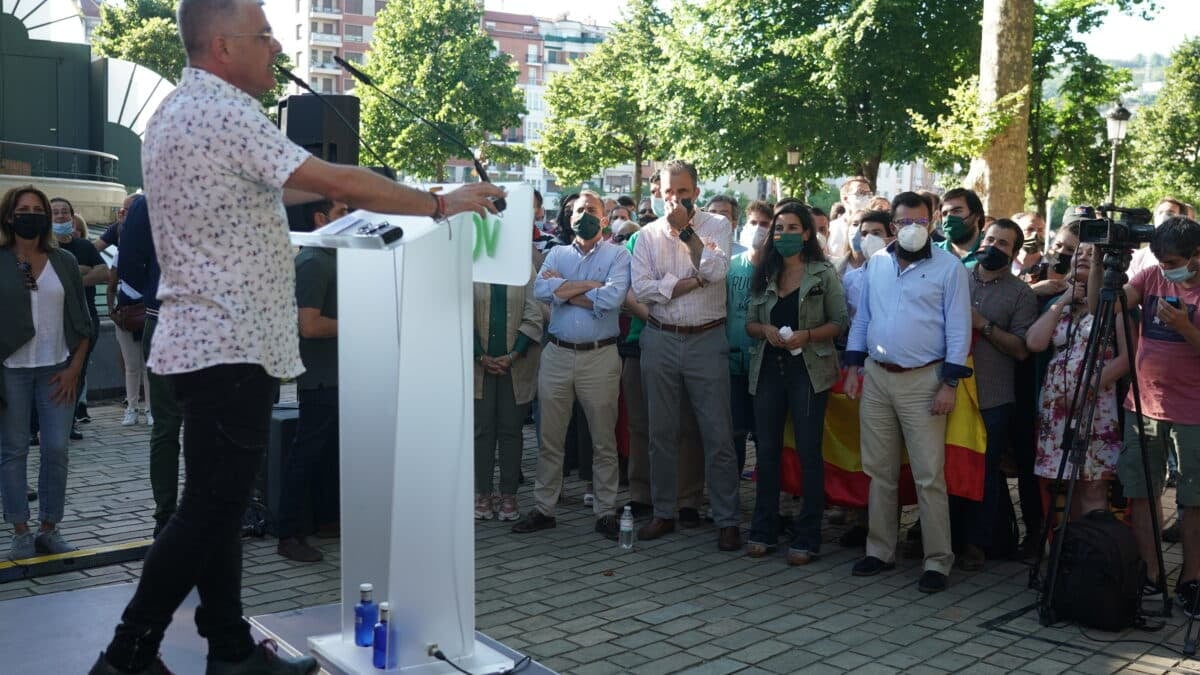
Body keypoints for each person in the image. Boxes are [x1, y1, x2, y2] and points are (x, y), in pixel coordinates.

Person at [88, 0, 503, 671]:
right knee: (206, 511)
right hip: (231, 342)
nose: (275, 47)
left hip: (205, 341)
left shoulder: (175, 112)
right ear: (221, 45)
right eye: (263, 36)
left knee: (217, 508)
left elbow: (265, 194)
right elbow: (330, 180)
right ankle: (127, 651)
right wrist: (438, 203)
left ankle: (229, 648)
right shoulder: (224, 113)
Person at [842, 190, 972, 593]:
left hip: (925, 380)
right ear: (893, 224)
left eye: (920, 222)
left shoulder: (950, 268)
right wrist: (852, 366)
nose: (912, 229)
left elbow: (958, 329)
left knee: (928, 474)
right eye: (904, 222)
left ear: (931, 222)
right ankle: (880, 549)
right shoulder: (877, 262)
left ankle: (937, 560)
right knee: (878, 469)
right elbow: (864, 317)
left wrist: (949, 383)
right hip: (878, 377)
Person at [630, 160, 742, 551]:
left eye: (682, 191)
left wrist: (687, 233)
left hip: (706, 340)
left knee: (717, 433)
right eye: (667, 192)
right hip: (660, 338)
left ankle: (727, 518)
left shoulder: (719, 226)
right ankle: (664, 511)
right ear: (657, 193)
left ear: (695, 191)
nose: (674, 199)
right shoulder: (645, 235)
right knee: (661, 432)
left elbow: (715, 271)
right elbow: (642, 291)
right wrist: (688, 281)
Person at [511, 191, 630, 540]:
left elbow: (613, 298)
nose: (585, 215)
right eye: (579, 210)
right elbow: (541, 291)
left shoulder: (618, 255)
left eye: (592, 210)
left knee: (603, 439)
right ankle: (544, 508)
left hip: (601, 356)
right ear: (569, 216)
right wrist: (590, 287)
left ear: (604, 218)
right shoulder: (557, 253)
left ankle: (606, 511)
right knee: (550, 437)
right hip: (557, 354)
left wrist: (565, 291)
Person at [1101, 217, 1200, 613]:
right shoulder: (1152, 275)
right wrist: (1105, 266)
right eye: (1159, 258)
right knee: (1141, 492)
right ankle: (1150, 573)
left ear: (1197, 255)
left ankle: (1192, 579)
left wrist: (1185, 326)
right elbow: (1107, 303)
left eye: (1173, 260)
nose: (1165, 266)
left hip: (1193, 412)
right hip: (1143, 406)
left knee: (1193, 500)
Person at [744, 202, 847, 564]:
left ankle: (808, 535)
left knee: (808, 453)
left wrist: (808, 335)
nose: (784, 234)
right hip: (769, 371)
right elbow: (749, 324)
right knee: (767, 453)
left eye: (792, 228)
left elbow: (840, 322)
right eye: (778, 228)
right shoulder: (764, 271)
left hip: (808, 372)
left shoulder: (823, 273)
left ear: (806, 233)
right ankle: (763, 529)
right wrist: (765, 330)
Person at [0, 185, 94, 560]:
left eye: (37, 209)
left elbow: (84, 322)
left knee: (56, 449)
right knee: (13, 450)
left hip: (58, 369)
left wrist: (74, 368)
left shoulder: (65, 262)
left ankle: (49, 527)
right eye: (23, 209)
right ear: (9, 216)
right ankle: (20, 530)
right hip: (10, 371)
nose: (31, 215)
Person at [951, 219, 1037, 571]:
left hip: (993, 397)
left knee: (984, 472)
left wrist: (981, 325)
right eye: (990, 239)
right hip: (950, 391)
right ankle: (944, 538)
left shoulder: (1022, 294)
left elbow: (1020, 349)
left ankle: (977, 543)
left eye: (1003, 243)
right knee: (947, 467)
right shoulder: (957, 277)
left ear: (1015, 254)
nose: (993, 246)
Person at [1026, 242, 1125, 518]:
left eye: (1091, 254)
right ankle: (1067, 551)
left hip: (1096, 405)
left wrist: (1085, 390)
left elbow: (1129, 356)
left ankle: (1090, 552)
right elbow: (1035, 343)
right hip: (1057, 406)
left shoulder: (1115, 302)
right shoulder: (1059, 301)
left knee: (1092, 485)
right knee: (1064, 482)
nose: (1083, 257)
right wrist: (1064, 300)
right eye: (1078, 253)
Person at [274, 199, 348, 563]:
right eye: (341, 212)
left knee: (329, 454)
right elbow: (310, 325)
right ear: (321, 218)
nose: (350, 219)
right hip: (321, 379)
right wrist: (365, 318)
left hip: (338, 376)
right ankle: (288, 532)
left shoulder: (331, 259)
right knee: (306, 454)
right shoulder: (314, 262)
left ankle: (326, 520)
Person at [116, 195, 182, 537]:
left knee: (178, 426)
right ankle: (167, 514)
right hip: (172, 319)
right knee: (171, 426)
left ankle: (175, 515)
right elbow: (129, 262)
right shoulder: (150, 200)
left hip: (196, 320)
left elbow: (131, 262)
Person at [472, 260, 542, 523]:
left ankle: (509, 495)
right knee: (482, 431)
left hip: (516, 364)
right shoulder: (472, 264)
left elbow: (534, 313)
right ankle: (483, 494)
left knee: (511, 430)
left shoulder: (523, 266)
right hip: (479, 367)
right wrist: (480, 356)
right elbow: (459, 314)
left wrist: (512, 355)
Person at [49, 197, 107, 439]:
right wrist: (82, 270)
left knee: (77, 373)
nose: (61, 216)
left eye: (65, 212)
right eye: (55, 213)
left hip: (84, 321)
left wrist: (74, 281)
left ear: (72, 218)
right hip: (51, 322)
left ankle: (68, 422)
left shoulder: (84, 246)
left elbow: (104, 272)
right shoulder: (41, 248)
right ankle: (36, 426)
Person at [727, 200, 772, 473]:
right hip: (732, 361)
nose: (758, 229)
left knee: (765, 435)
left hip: (765, 363)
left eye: (765, 224)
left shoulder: (779, 270)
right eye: (753, 223)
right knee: (733, 433)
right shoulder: (730, 267)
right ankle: (729, 499)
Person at [107, 247, 152, 427]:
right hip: (127, 316)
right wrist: (111, 312)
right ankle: (132, 407)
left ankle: (150, 408)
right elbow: (111, 286)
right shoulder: (120, 255)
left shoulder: (153, 251)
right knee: (132, 365)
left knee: (149, 366)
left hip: (149, 313)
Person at [937, 188, 986, 268]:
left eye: (957, 211)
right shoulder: (931, 252)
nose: (949, 218)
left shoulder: (991, 252)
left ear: (977, 215)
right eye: (944, 214)